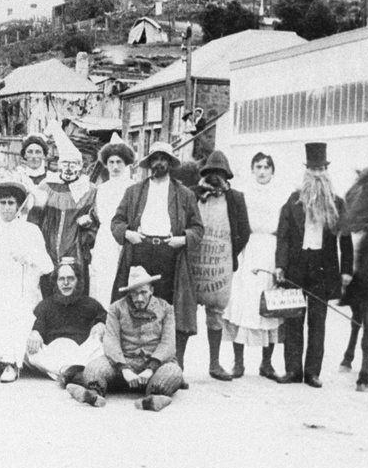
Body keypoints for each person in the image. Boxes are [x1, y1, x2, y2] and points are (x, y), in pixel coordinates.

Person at [110, 141, 203, 387]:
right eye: (155, 158)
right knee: (137, 307)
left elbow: (198, 228)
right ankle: (133, 365)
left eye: (164, 158)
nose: (159, 163)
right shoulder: (134, 192)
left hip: (169, 254)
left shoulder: (184, 194)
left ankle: (172, 369)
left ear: (171, 164)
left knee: (170, 310)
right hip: (140, 251)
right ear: (149, 163)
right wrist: (127, 234)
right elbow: (117, 222)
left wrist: (182, 239)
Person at [275, 143, 353, 388]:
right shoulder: (293, 201)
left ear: (326, 171)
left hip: (323, 266)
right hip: (297, 266)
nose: (317, 174)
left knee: (318, 322)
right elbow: (284, 236)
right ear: (306, 171)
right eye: (313, 170)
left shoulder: (337, 203)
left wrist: (347, 270)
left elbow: (346, 239)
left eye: (321, 169)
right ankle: (292, 370)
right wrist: (280, 265)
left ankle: (312, 372)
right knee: (293, 320)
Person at [0, 180, 54, 382]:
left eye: (11, 203)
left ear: (19, 206)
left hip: (22, 287)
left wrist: (28, 258)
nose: (6, 208)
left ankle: (11, 363)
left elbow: (48, 265)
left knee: (17, 311)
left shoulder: (31, 230)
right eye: (3, 203)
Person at [69, 266, 183, 411]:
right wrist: (124, 368)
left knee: (173, 371)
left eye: (143, 292)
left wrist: (150, 369)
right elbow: (111, 340)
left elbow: (168, 343)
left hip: (154, 366)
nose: (139, 298)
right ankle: (93, 395)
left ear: (151, 290)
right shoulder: (116, 308)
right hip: (122, 364)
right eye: (134, 294)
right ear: (129, 293)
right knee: (94, 368)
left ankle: (153, 398)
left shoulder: (166, 309)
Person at [223, 151, 293, 380]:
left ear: (273, 170)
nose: (262, 171)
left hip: (272, 249)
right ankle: (239, 363)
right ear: (252, 170)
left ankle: (267, 363)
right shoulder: (243, 194)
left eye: (266, 167)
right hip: (249, 248)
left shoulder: (282, 195)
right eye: (258, 167)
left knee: (269, 303)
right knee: (242, 301)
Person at [188, 151, 250, 381]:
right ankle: (179, 365)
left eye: (219, 173)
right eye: (210, 172)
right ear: (203, 174)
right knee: (185, 312)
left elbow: (244, 230)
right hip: (193, 264)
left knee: (216, 314)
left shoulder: (235, 199)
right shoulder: (192, 195)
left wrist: (229, 253)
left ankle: (214, 364)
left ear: (227, 176)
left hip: (220, 267)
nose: (215, 177)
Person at [28, 127, 97, 299]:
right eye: (65, 163)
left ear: (80, 167)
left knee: (74, 284)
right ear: (59, 165)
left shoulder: (89, 189)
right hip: (48, 245)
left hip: (76, 247)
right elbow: (34, 219)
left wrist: (89, 222)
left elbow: (98, 217)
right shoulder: (46, 186)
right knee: (48, 284)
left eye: (73, 164)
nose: (68, 168)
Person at [24, 261, 106, 384]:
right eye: (61, 279)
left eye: (70, 278)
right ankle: (73, 373)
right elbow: (38, 322)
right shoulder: (45, 305)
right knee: (29, 349)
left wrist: (100, 323)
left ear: (78, 280)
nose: (66, 283)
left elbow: (104, 315)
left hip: (81, 352)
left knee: (101, 343)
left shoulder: (90, 303)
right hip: (53, 354)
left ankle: (65, 373)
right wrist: (35, 332)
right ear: (56, 282)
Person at [88, 134, 134, 305]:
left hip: (124, 238)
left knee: (122, 277)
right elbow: (97, 215)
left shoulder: (133, 187)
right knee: (102, 279)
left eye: (119, 162)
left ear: (126, 164)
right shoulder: (101, 189)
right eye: (111, 162)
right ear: (106, 165)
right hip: (104, 238)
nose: (115, 167)